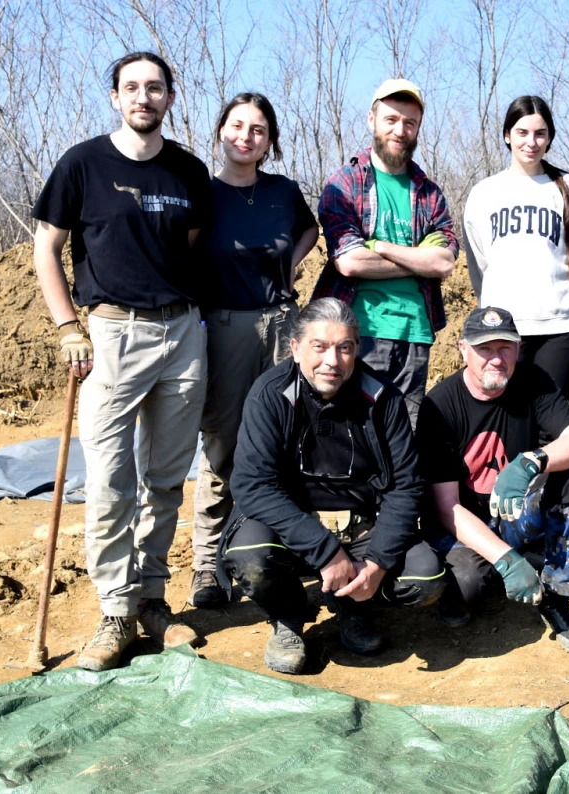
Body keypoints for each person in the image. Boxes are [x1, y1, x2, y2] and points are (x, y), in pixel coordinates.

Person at [32, 52, 213, 671]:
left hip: (183, 333)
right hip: (111, 335)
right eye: (132, 87)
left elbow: (188, 250)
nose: (144, 96)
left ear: (170, 96)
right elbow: (47, 246)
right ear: (115, 96)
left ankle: (152, 599)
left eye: (155, 87)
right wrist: (66, 326)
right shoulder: (82, 164)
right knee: (110, 481)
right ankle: (114, 609)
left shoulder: (188, 170)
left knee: (165, 478)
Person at [219, 298, 446, 674]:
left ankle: (354, 605)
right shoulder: (270, 395)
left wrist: (376, 564)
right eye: (319, 346)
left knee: (425, 576)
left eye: (344, 348)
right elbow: (252, 485)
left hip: (362, 523)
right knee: (250, 557)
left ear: (357, 350)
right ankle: (287, 615)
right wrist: (327, 552)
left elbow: (406, 486)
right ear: (295, 348)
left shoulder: (383, 397)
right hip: (291, 523)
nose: (332, 361)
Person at [188, 93, 320, 610]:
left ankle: (273, 545)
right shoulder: (202, 192)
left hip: (282, 326)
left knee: (283, 436)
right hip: (222, 325)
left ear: (270, 141)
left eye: (258, 129)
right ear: (221, 130)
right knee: (223, 441)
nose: (246, 136)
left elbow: (309, 229)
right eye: (237, 126)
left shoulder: (282, 192)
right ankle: (207, 562)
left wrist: (292, 263)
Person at [417, 307, 569, 655]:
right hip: (465, 524)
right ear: (463, 348)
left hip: (515, 512)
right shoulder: (439, 406)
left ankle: (556, 594)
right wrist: (505, 560)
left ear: (518, 349)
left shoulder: (533, 381)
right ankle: (515, 564)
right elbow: (445, 508)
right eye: (485, 348)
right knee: (465, 590)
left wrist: (534, 460)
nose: (496, 359)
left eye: (505, 348)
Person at [312, 78, 458, 425]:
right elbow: (349, 261)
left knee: (403, 439)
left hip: (415, 335)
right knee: (353, 434)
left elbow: (445, 262)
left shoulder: (430, 194)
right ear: (371, 119)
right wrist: (418, 261)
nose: (400, 129)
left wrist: (378, 245)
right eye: (391, 119)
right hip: (356, 332)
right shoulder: (345, 184)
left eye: (410, 123)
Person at [462, 96, 569, 400]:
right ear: (507, 135)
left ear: (550, 138)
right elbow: (480, 261)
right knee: (510, 417)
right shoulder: (485, 193)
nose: (531, 142)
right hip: (504, 329)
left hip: (563, 326)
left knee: (550, 420)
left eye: (540, 133)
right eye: (522, 132)